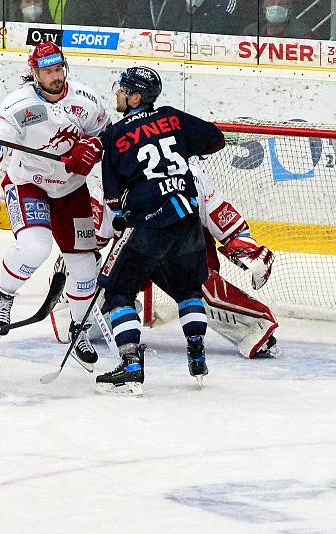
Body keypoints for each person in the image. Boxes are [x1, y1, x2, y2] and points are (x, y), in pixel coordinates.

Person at [0, 42, 110, 366]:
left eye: (58, 69)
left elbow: (106, 136)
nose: (55, 77)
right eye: (47, 71)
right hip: (29, 184)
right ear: (35, 73)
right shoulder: (18, 104)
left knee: (83, 264)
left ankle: (78, 327)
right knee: (35, 247)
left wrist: (93, 148)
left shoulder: (86, 100)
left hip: (72, 191)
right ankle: (4, 295)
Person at [51, 164, 279, 360]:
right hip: (132, 253)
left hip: (177, 253)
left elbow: (228, 223)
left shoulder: (193, 176)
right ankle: (76, 314)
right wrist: (70, 264)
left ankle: (253, 328)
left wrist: (248, 249)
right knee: (95, 279)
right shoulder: (112, 179)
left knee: (198, 284)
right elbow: (90, 240)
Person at [95, 66, 225, 395]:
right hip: (187, 217)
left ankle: (130, 364)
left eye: (123, 89)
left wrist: (122, 214)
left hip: (149, 223)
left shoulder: (114, 135)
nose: (117, 93)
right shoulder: (171, 117)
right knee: (187, 289)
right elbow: (215, 139)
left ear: (136, 97)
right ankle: (197, 353)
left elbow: (111, 195)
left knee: (119, 292)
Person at [243, 0, 317, 38]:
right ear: (264, 8)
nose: (276, 7)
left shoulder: (302, 34)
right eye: (271, 3)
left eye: (282, 4)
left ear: (290, 9)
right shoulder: (251, 31)